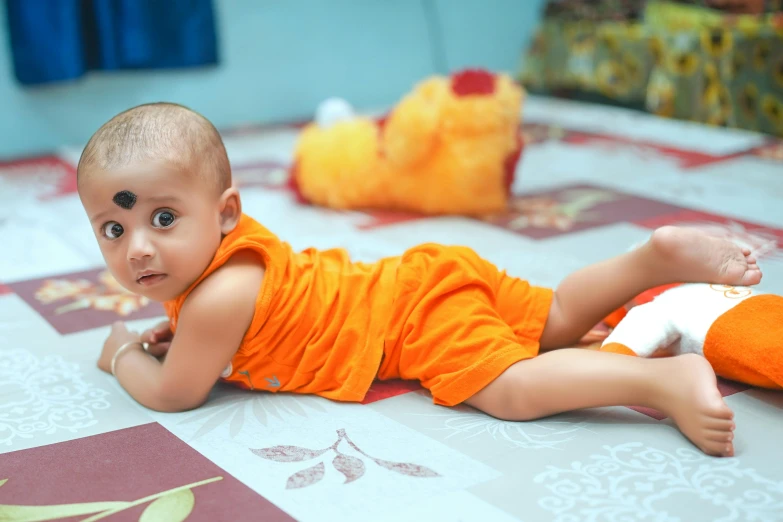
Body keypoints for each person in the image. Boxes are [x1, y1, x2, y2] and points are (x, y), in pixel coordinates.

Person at [77, 103, 762, 458]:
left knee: (510, 390)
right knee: (551, 317)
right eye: (113, 228)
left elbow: (174, 394)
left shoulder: (219, 296)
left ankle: (657, 384)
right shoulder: (221, 269)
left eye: (163, 218)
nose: (137, 249)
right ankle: (650, 260)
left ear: (227, 213)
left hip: (410, 319)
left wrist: (124, 355)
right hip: (426, 275)